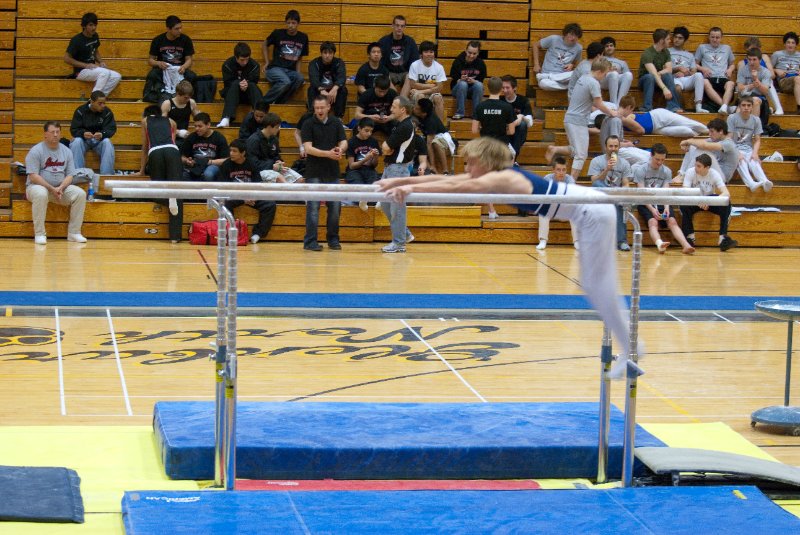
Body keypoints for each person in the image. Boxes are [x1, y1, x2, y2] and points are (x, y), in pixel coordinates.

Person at [377, 136, 639, 378]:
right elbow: (450, 179)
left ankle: (632, 349)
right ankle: (630, 348)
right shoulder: (498, 175)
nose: (467, 168)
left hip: (592, 211)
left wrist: (407, 188)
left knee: (597, 286)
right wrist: (399, 182)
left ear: (485, 162)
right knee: (595, 285)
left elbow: (455, 184)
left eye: (470, 163)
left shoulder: (502, 178)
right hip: (589, 210)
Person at [545, 58, 617, 179]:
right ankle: (571, 183)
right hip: (577, 121)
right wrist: (611, 113)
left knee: (575, 150)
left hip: (571, 119)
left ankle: (554, 149)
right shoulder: (593, 82)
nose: (605, 77)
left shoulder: (583, 78)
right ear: (599, 71)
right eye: (605, 74)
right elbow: (598, 103)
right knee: (581, 155)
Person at [25, 121, 87, 245]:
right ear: (45, 134)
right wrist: (51, 188)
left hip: (59, 189)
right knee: (41, 193)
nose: (55, 135)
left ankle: (74, 233)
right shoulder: (36, 151)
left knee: (80, 194)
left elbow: (70, 175)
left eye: (57, 132)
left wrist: (61, 187)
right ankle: (39, 234)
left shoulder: (67, 151)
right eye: (52, 132)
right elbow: (33, 176)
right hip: (36, 188)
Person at [301, 96, 347, 251]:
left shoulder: (336, 123)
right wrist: (328, 154)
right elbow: (307, 148)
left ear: (328, 107)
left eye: (322, 107)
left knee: (335, 207)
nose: (319, 111)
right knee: (313, 208)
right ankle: (310, 241)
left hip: (332, 172)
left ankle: (333, 239)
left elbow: (344, 141)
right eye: (317, 108)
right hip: (314, 171)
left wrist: (341, 149)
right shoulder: (308, 124)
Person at [632, 144, 695, 254]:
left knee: (672, 221)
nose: (660, 162)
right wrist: (652, 210)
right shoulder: (641, 170)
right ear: (651, 156)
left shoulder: (667, 171)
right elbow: (642, 193)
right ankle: (659, 243)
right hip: (646, 202)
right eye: (657, 159)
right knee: (653, 222)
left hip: (661, 201)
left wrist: (666, 207)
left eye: (663, 160)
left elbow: (666, 192)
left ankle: (686, 245)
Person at [138, 105, 183, 242]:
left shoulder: (145, 121)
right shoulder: (171, 122)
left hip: (156, 151)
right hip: (172, 151)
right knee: (176, 193)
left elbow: (145, 146)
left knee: (157, 192)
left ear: (146, 114)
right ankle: (175, 237)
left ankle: (169, 199)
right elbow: (172, 140)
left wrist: (141, 170)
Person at [220, 139, 277, 244]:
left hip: (251, 195)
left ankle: (258, 233)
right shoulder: (226, 165)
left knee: (270, 205)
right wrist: (243, 199)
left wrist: (252, 196)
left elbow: (258, 184)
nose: (231, 153)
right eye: (230, 150)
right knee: (225, 203)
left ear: (243, 153)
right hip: (234, 196)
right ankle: (231, 231)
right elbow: (224, 188)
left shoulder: (251, 163)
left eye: (234, 151)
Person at [379, 96, 417, 253]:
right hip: (390, 168)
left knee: (397, 209)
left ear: (403, 110)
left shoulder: (405, 127)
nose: (390, 109)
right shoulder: (399, 125)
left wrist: (386, 148)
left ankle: (399, 243)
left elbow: (386, 147)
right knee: (384, 204)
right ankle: (404, 233)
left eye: (394, 107)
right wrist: (386, 149)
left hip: (398, 170)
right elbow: (386, 149)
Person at [680, 153, 737, 251]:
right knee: (683, 204)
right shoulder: (690, 172)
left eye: (699, 166)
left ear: (707, 167)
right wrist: (699, 201)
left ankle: (723, 238)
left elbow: (726, 193)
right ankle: (690, 237)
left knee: (727, 203)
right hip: (695, 200)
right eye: (696, 165)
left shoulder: (714, 174)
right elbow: (685, 191)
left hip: (709, 201)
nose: (696, 168)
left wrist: (709, 200)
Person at [588, 135, 633, 251]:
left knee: (619, 205)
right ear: (606, 147)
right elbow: (594, 181)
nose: (613, 149)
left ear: (619, 147)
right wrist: (607, 169)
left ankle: (622, 242)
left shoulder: (624, 163)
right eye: (611, 146)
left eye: (616, 146)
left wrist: (624, 194)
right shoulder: (596, 161)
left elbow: (626, 183)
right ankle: (621, 241)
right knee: (599, 186)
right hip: (600, 195)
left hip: (616, 196)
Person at [64, 12, 121, 97]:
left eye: (95, 25)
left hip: (92, 68)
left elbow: (95, 50)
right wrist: (85, 65)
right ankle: (94, 99)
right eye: (90, 25)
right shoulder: (76, 40)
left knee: (117, 76)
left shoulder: (95, 36)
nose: (94, 28)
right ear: (84, 26)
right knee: (104, 73)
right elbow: (66, 58)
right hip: (80, 71)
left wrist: (101, 62)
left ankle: (100, 98)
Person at [262, 10, 309, 105]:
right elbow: (264, 44)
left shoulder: (303, 37)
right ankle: (263, 103)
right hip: (275, 68)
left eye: (293, 23)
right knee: (285, 81)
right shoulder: (278, 33)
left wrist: (298, 73)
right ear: (285, 23)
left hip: (290, 71)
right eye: (288, 23)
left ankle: (279, 102)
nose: (290, 25)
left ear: (298, 23)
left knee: (299, 78)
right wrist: (267, 62)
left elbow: (300, 57)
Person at [727, 96, 773, 192]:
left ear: (752, 107)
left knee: (754, 161)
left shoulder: (756, 120)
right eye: (743, 105)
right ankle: (750, 183)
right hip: (734, 147)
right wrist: (737, 153)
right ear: (739, 107)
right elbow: (729, 138)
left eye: (749, 105)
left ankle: (764, 181)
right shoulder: (732, 118)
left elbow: (757, 140)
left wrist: (755, 153)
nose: (746, 107)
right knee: (741, 161)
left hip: (748, 148)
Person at [145, 15, 196, 102]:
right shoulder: (158, 40)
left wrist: (184, 67)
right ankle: (150, 96)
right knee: (152, 74)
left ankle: (190, 98)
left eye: (180, 28)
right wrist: (158, 63)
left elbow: (189, 59)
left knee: (192, 76)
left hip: (179, 69)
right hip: (164, 69)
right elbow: (150, 60)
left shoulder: (186, 40)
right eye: (177, 29)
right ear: (168, 29)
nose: (180, 30)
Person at [676, 118, 739, 183]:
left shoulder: (729, 143)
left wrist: (688, 141)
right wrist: (687, 144)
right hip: (712, 172)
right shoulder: (715, 139)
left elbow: (704, 145)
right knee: (693, 146)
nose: (709, 134)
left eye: (712, 131)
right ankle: (681, 174)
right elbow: (698, 143)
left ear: (721, 131)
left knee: (701, 149)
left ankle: (686, 176)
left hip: (721, 178)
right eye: (709, 131)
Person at [536, 156, 578, 250]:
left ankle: (577, 241)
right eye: (558, 170)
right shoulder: (547, 179)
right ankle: (543, 240)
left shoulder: (570, 180)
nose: (561, 173)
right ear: (553, 170)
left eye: (564, 170)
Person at [69, 90, 116, 175]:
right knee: (76, 141)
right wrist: (83, 133)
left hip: (99, 141)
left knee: (107, 142)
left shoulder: (107, 112)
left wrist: (102, 134)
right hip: (84, 141)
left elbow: (111, 129)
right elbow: (74, 129)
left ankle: (106, 175)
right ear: (92, 102)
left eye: (104, 103)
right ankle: (78, 174)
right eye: (100, 103)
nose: (103, 106)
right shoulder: (80, 111)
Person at [617, 95, 708, 137]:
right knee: (687, 131)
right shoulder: (620, 118)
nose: (632, 112)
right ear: (629, 107)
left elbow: (641, 131)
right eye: (632, 110)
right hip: (654, 130)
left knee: (688, 123)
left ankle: (708, 131)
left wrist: (626, 133)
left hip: (658, 117)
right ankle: (701, 135)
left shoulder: (625, 118)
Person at [217, 42, 262, 128]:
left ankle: (262, 116)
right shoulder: (227, 65)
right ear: (236, 57)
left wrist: (246, 84)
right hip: (232, 95)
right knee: (234, 83)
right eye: (242, 60)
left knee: (252, 85)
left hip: (248, 95)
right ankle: (226, 117)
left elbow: (255, 80)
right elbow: (227, 82)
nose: (245, 62)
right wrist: (239, 83)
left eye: (247, 59)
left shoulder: (254, 65)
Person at [638, 28, 683, 112]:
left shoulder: (666, 52)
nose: (670, 41)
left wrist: (659, 72)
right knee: (650, 77)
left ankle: (673, 106)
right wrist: (664, 88)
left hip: (658, 78)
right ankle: (647, 107)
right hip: (645, 81)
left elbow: (669, 69)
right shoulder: (647, 53)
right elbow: (653, 74)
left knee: (668, 75)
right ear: (662, 41)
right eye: (668, 39)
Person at [402, 41, 447, 123]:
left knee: (438, 98)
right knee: (421, 97)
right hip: (418, 93)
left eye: (431, 52)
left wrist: (421, 90)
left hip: (426, 92)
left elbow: (440, 88)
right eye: (426, 52)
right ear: (421, 54)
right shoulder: (415, 65)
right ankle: (423, 124)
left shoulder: (439, 67)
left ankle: (440, 127)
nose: (429, 54)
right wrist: (432, 86)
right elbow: (413, 84)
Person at [531, 23, 583, 91]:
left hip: (563, 77)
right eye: (571, 34)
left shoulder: (578, 48)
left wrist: (572, 65)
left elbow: (577, 63)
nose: (573, 38)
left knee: (578, 73)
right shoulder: (554, 39)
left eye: (576, 36)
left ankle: (552, 78)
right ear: (565, 33)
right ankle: (567, 86)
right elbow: (535, 45)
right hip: (547, 75)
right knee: (543, 84)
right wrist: (536, 64)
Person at [668, 26, 708, 113]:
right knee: (677, 88)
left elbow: (693, 71)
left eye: (680, 38)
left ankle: (698, 106)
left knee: (698, 75)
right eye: (675, 37)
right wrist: (677, 70)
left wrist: (685, 73)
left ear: (685, 40)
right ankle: (679, 108)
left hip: (686, 79)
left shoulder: (689, 55)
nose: (677, 40)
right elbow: (664, 69)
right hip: (673, 78)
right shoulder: (667, 51)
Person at [740, 36, 784, 116]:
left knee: (769, 82)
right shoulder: (742, 63)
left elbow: (772, 75)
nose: (753, 51)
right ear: (746, 50)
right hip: (750, 86)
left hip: (764, 83)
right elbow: (741, 82)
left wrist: (759, 80)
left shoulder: (764, 57)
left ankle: (778, 107)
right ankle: (767, 108)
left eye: (756, 49)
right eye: (751, 50)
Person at [696, 27, 736, 114]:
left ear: (721, 38)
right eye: (712, 37)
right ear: (709, 37)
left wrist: (730, 69)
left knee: (731, 83)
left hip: (723, 77)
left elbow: (732, 64)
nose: (714, 40)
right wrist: (702, 69)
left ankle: (724, 107)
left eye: (717, 37)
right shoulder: (702, 47)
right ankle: (726, 108)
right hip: (709, 77)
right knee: (704, 82)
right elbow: (695, 64)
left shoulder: (727, 48)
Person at [181, 113, 229, 181]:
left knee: (208, 174)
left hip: (212, 165)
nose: (197, 129)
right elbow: (182, 156)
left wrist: (209, 162)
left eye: (200, 126)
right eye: (195, 126)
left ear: (208, 125)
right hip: (195, 165)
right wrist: (187, 161)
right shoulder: (191, 137)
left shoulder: (219, 137)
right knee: (184, 175)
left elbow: (226, 160)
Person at [413, 97, 454, 175]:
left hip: (442, 137)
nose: (414, 109)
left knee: (435, 143)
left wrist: (433, 164)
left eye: (417, 108)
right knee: (419, 145)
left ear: (424, 113)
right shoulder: (417, 113)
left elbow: (429, 143)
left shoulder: (431, 121)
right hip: (429, 137)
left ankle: (445, 171)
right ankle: (433, 172)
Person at [307, 41, 347, 118]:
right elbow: (313, 79)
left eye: (330, 53)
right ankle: (312, 115)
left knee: (343, 90)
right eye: (325, 53)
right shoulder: (314, 63)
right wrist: (322, 90)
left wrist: (335, 89)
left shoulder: (339, 62)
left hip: (333, 91)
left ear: (333, 54)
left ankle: (339, 117)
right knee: (311, 89)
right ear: (321, 53)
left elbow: (342, 77)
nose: (327, 55)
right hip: (320, 90)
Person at [449, 40, 487, 120]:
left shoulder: (481, 63)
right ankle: (459, 113)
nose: (471, 56)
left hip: (473, 90)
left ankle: (476, 114)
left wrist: (474, 81)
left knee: (479, 85)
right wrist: (459, 79)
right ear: (466, 50)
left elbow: (481, 80)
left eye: (474, 54)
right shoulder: (458, 61)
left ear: (478, 53)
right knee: (463, 84)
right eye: (469, 53)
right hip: (458, 89)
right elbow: (453, 76)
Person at [378, 15, 419, 87]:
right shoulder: (383, 41)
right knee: (385, 77)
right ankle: (397, 97)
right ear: (392, 26)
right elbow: (380, 60)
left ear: (405, 27)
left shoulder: (410, 42)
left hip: (405, 73)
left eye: (402, 26)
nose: (399, 28)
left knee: (410, 77)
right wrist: (385, 72)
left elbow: (414, 61)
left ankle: (399, 98)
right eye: (397, 25)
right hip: (389, 73)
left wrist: (409, 72)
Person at [500, 75, 534, 161]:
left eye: (507, 88)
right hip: (503, 131)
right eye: (503, 88)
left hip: (517, 133)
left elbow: (530, 123)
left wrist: (521, 117)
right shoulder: (500, 100)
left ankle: (513, 159)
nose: (505, 90)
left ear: (514, 88)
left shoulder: (523, 100)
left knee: (522, 124)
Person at [736, 47, 773, 120]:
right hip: (745, 96)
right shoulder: (742, 70)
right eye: (749, 59)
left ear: (760, 60)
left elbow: (765, 91)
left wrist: (756, 79)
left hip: (759, 97)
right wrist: (752, 85)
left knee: (755, 101)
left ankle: (753, 128)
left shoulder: (766, 72)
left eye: (754, 59)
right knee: (743, 104)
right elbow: (740, 88)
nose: (751, 62)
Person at [160, 80, 200, 148]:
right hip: (169, 137)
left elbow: (200, 119)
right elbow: (161, 126)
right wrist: (177, 132)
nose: (187, 100)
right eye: (185, 98)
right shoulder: (167, 104)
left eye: (189, 97)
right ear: (178, 94)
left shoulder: (191, 103)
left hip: (184, 137)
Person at [345, 118, 381, 190]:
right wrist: (365, 159)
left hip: (370, 170)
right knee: (359, 189)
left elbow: (374, 165)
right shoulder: (351, 142)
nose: (369, 134)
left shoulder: (373, 141)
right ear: (359, 128)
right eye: (366, 131)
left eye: (371, 131)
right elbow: (352, 166)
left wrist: (376, 157)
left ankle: (371, 201)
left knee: (374, 188)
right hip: (354, 171)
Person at [600, 36, 633, 105]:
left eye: (611, 45)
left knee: (629, 74)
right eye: (607, 46)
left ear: (614, 47)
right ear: (603, 49)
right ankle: (613, 103)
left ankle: (619, 104)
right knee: (614, 73)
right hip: (603, 80)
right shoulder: (600, 59)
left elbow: (626, 78)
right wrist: (608, 70)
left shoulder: (621, 62)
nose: (609, 48)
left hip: (616, 80)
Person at [772, 32, 800, 112]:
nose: (790, 45)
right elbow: (767, 69)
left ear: (796, 45)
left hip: (796, 80)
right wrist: (776, 70)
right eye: (788, 42)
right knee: (798, 79)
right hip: (784, 80)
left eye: (793, 43)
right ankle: (799, 107)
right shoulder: (777, 54)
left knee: (798, 79)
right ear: (784, 44)